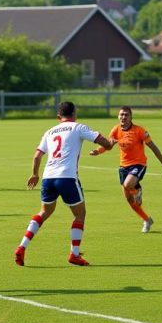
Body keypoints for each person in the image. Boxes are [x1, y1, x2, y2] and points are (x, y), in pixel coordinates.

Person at [14, 102, 113, 267]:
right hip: (67, 177)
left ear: (58, 116)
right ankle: (74, 254)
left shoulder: (49, 131)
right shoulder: (78, 127)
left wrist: (34, 174)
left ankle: (22, 246)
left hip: (48, 178)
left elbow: (37, 156)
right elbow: (105, 143)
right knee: (80, 214)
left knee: (44, 212)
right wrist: (111, 142)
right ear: (74, 113)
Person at [88, 106, 162, 233]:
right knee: (129, 200)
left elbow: (153, 147)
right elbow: (109, 146)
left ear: (131, 117)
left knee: (128, 185)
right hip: (123, 167)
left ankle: (137, 190)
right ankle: (146, 220)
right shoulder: (116, 130)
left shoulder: (139, 130)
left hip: (139, 164)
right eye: (121, 115)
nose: (123, 117)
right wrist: (98, 151)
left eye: (126, 115)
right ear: (118, 117)